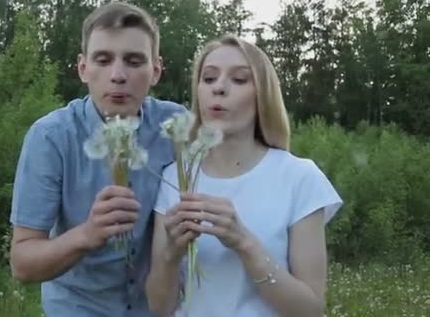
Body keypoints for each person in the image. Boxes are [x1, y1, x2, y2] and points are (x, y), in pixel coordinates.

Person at [145, 34, 343, 317]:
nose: (220, 88)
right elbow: (157, 308)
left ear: (263, 95)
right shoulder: (175, 178)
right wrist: (171, 254)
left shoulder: (299, 178)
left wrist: (243, 243)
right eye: (209, 78)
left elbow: (310, 310)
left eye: (239, 80)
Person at [9, 1, 185, 316]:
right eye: (103, 60)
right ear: (83, 68)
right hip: (79, 308)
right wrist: (87, 234)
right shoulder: (50, 138)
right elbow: (22, 264)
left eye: (134, 61)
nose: (117, 75)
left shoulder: (176, 126)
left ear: (156, 70)